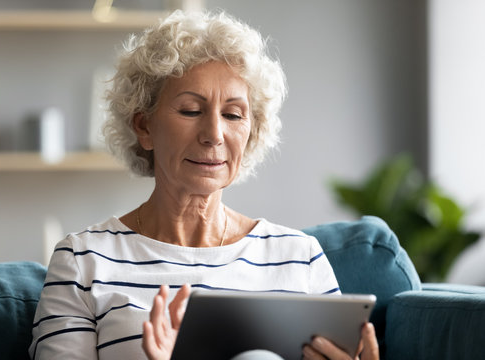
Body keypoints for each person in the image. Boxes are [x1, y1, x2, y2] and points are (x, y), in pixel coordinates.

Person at [29, 10, 379, 360]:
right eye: (190, 110)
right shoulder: (83, 261)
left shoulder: (299, 258)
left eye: (233, 115)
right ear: (144, 127)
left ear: (251, 131)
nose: (214, 135)